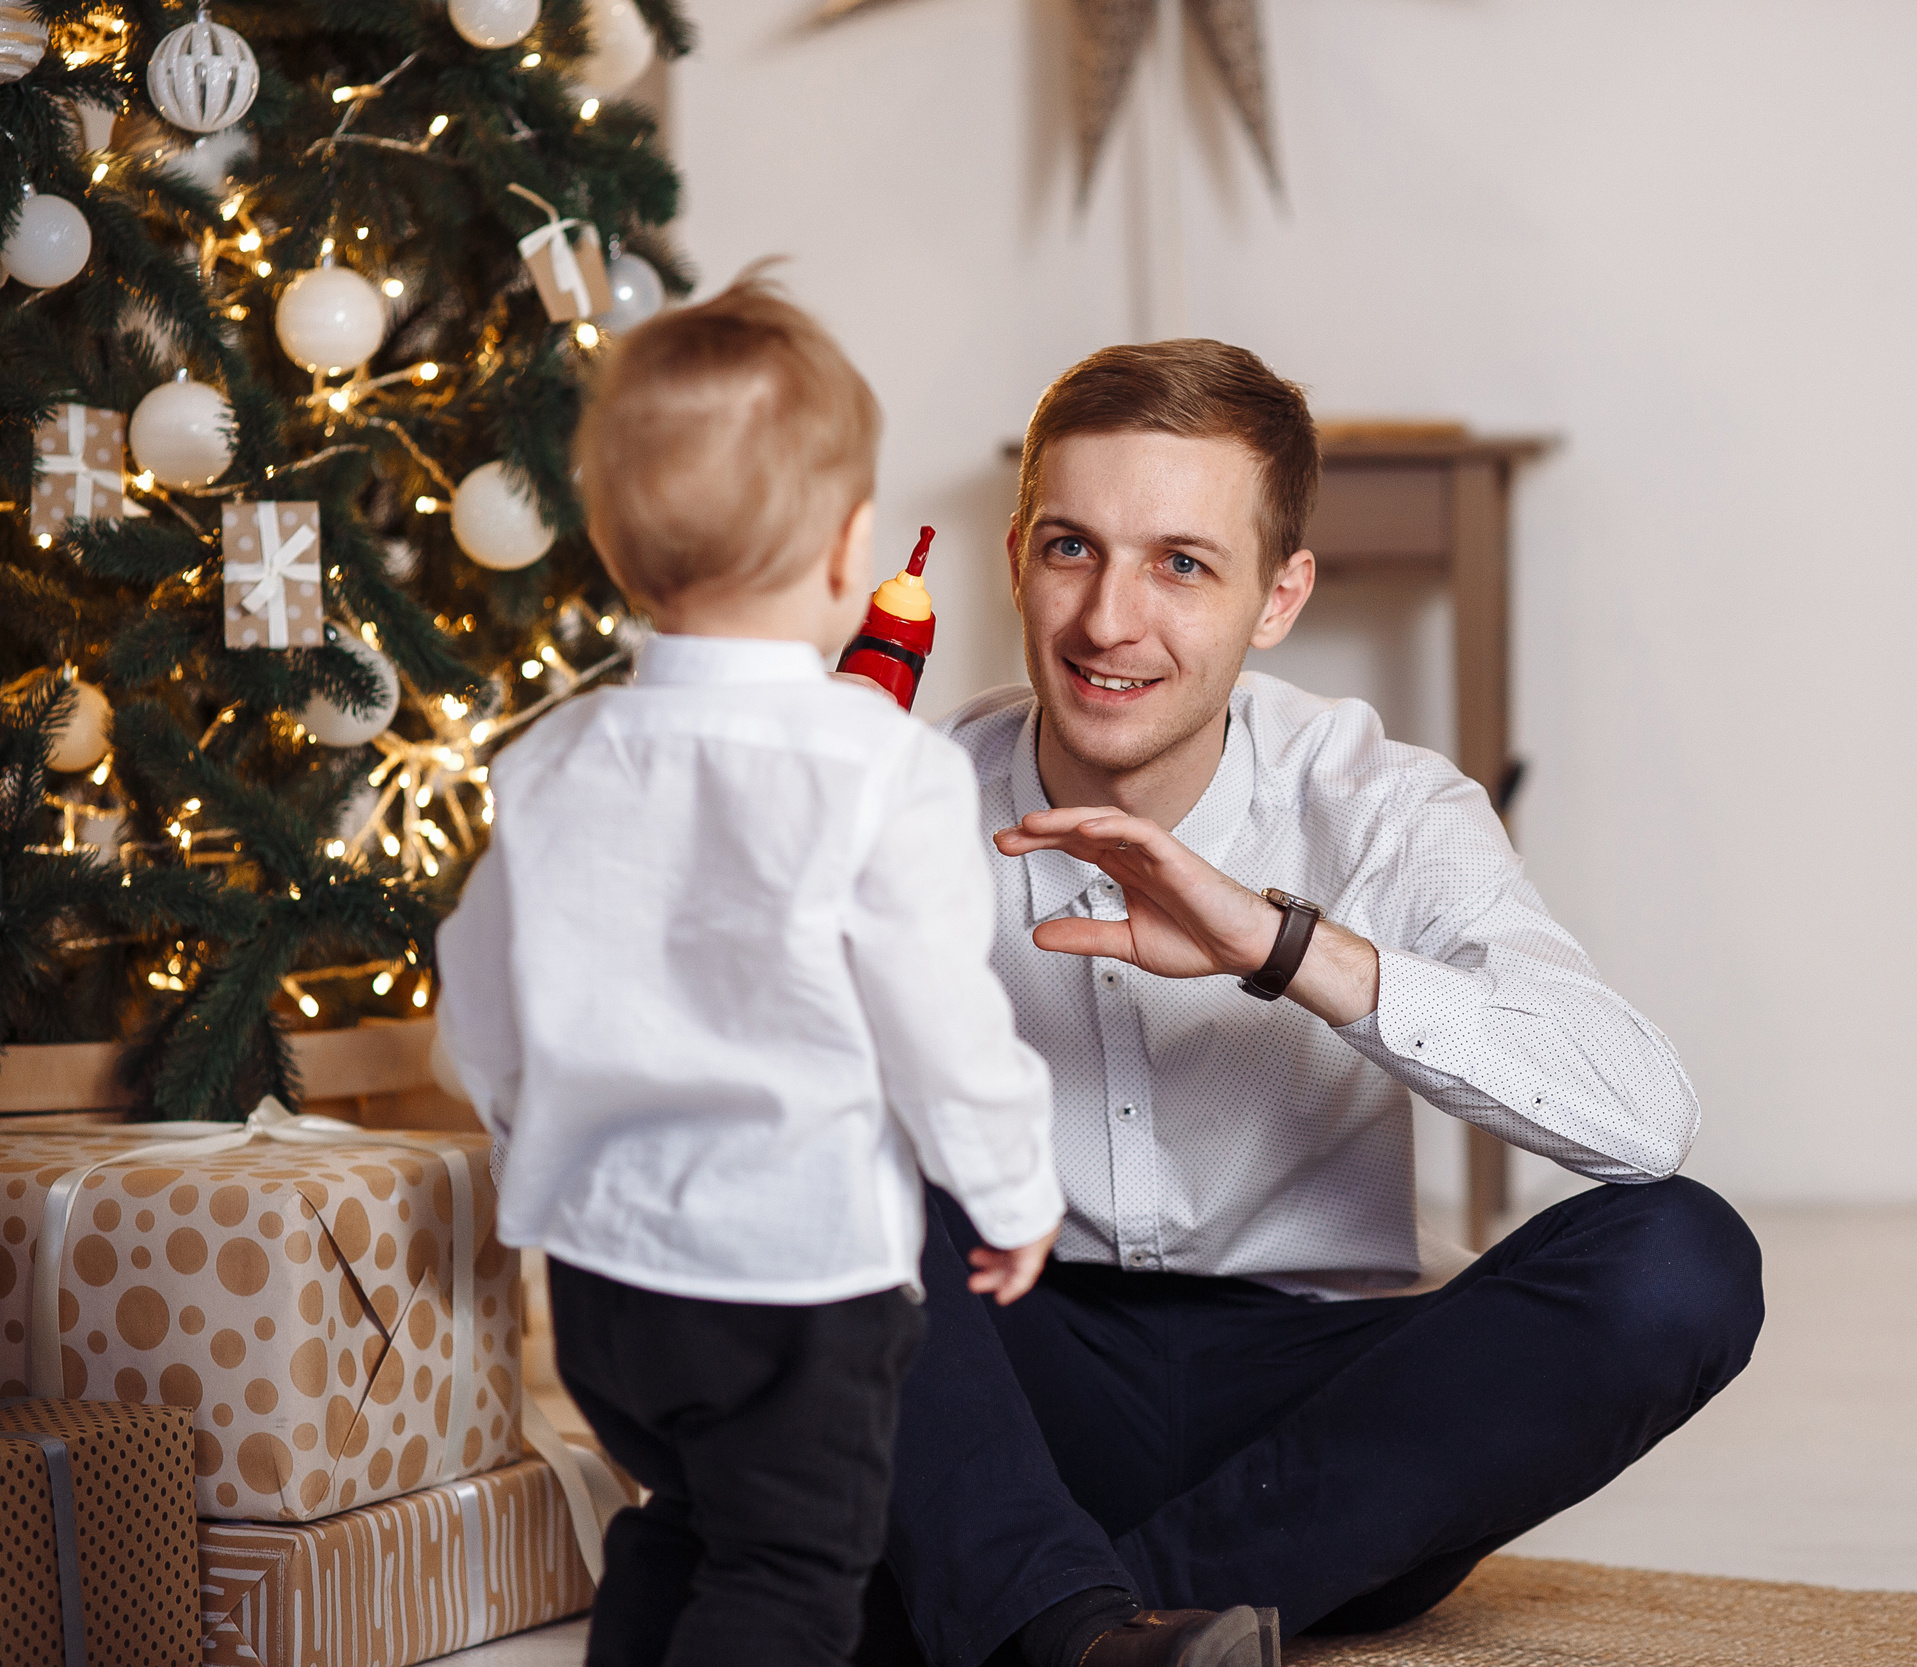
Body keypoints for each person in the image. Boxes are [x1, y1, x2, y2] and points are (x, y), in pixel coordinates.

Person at [866, 341, 1767, 1667]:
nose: (1110, 620)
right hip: (1008, 1386)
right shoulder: (895, 795)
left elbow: (1644, 1119)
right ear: (1015, 560)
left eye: (1182, 564)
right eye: (1072, 550)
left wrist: (1285, 948)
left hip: (1312, 1433)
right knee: (827, 1162)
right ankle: (1080, 1624)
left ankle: (1054, 1619)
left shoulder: (1382, 806)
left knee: (1684, 1262)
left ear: (1278, 596)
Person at [435, 275, 1066, 1667]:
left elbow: (476, 994)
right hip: (794, 1272)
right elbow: (940, 1018)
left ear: (614, 548)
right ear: (851, 552)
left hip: (603, 1280)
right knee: (790, 1571)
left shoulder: (552, 762)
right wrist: (1014, 1187)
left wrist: (537, 1142)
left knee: (683, 1522)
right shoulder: (879, 769)